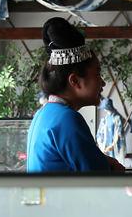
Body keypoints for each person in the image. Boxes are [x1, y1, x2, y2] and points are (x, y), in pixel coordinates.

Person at [26, 17, 125, 173]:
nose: (103, 83)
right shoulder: (67, 119)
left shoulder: (44, 114)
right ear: (75, 81)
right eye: (98, 74)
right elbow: (98, 178)